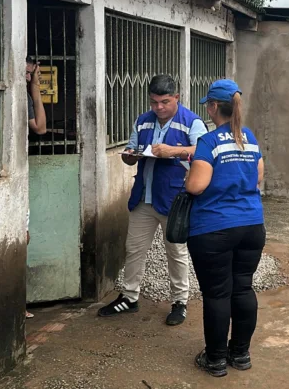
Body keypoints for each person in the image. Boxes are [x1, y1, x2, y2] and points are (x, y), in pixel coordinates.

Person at [98, 75, 207, 325]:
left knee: (176, 252)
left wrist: (174, 151)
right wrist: (129, 155)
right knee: (134, 249)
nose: (158, 107)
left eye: (165, 102)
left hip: (174, 198)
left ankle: (180, 301)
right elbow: (132, 148)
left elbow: (203, 151)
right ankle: (129, 297)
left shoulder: (191, 122)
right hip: (143, 198)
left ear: (177, 98)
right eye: (154, 102)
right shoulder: (143, 121)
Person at [185, 79, 265, 377]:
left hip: (214, 228)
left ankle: (216, 359)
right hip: (251, 225)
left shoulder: (209, 141)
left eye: (208, 104)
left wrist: (189, 174)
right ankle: (240, 354)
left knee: (218, 294)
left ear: (214, 107)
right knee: (242, 287)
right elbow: (257, 178)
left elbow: (196, 186)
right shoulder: (250, 138)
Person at [26, 57, 47, 319]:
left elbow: (39, 127)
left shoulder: (23, 96)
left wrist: (34, 91)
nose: (29, 74)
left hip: (18, 176)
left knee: (24, 236)